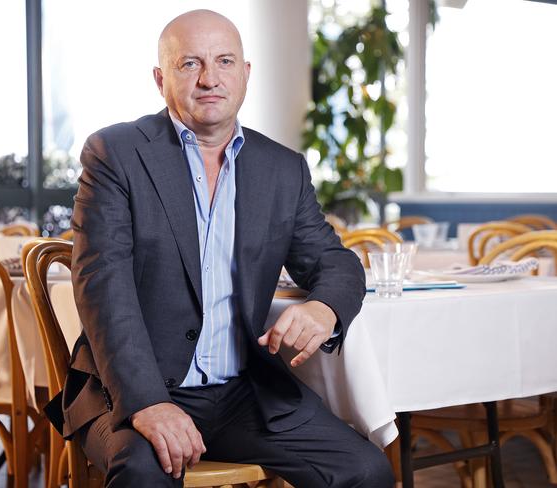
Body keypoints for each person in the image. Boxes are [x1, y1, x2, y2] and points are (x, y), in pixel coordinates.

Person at [60, 9, 394, 488]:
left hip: (243, 395)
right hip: (133, 389)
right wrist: (149, 403)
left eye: (225, 61)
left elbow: (335, 261)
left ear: (246, 73)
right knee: (142, 473)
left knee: (366, 471)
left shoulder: (282, 169)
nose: (210, 78)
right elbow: (104, 290)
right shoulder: (116, 153)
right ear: (161, 79)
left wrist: (325, 308)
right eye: (190, 64)